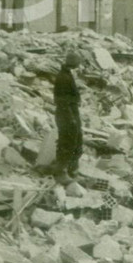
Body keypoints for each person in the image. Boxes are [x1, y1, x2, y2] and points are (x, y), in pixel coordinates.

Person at [53, 50, 84, 182]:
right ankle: (61, 172)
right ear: (73, 61)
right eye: (78, 60)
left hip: (71, 111)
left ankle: (72, 169)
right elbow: (61, 100)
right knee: (67, 141)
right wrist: (71, 117)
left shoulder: (67, 74)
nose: (80, 63)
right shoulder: (63, 77)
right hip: (66, 113)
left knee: (76, 139)